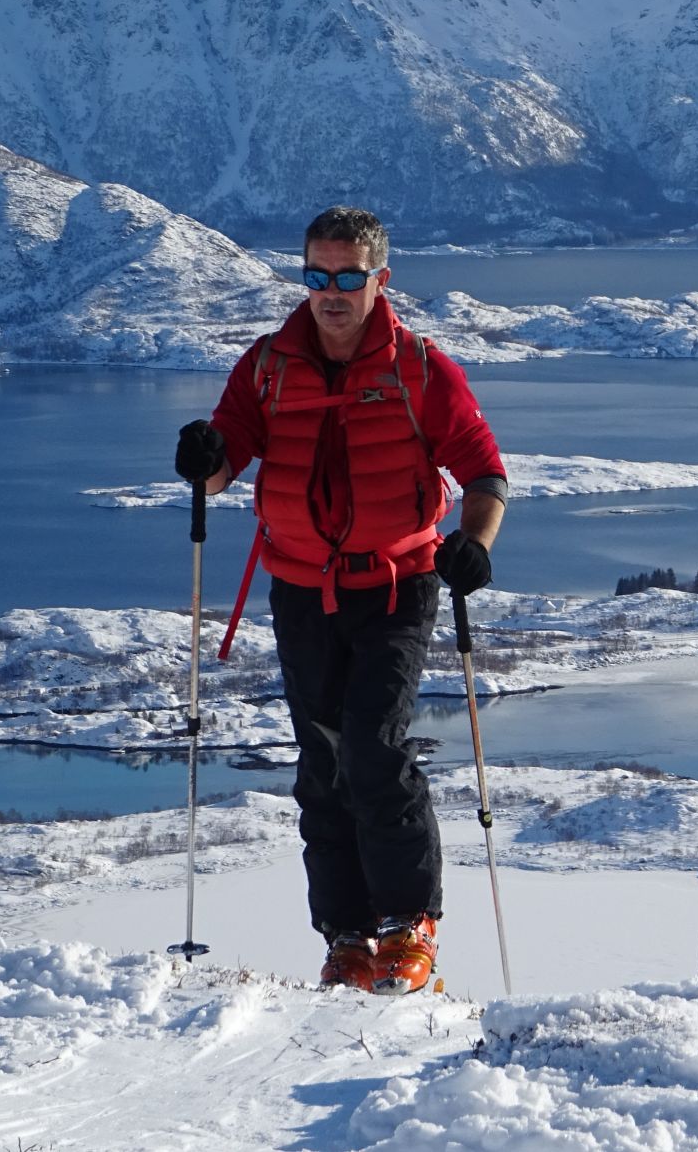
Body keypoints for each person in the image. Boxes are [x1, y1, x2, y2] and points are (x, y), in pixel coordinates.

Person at [173, 206, 507, 995]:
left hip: (396, 586)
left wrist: (475, 545)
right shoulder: (267, 366)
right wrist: (205, 461)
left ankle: (408, 923)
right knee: (322, 763)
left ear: (379, 280)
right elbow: (225, 465)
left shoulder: (420, 368)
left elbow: (485, 472)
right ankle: (346, 936)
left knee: (373, 746)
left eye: (348, 277)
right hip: (299, 587)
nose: (331, 292)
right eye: (317, 276)